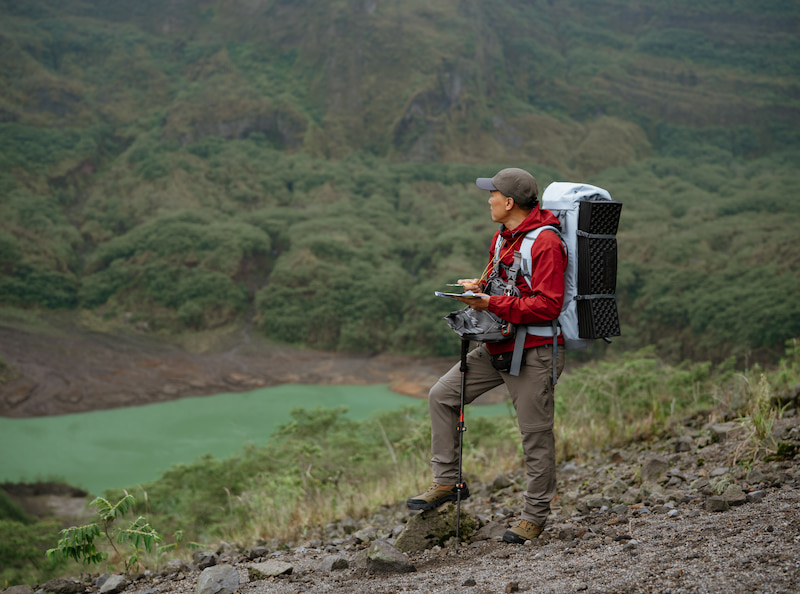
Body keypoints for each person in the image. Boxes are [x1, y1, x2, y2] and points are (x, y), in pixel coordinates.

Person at [406, 167, 567, 544]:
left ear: (509, 202)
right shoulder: (503, 238)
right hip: (499, 342)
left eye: (492, 194)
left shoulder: (545, 243)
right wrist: (481, 288)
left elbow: (549, 306)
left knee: (535, 435)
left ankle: (534, 516)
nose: (488, 199)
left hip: (534, 350)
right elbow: (508, 286)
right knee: (442, 396)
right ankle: (447, 482)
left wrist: (490, 301)